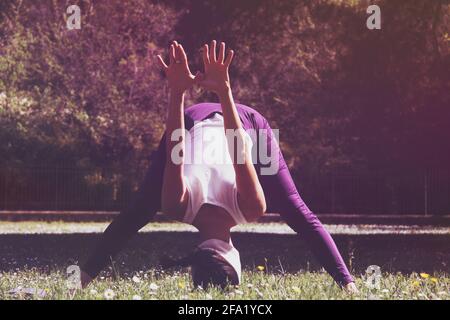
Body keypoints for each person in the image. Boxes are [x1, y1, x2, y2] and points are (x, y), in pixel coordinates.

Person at [79, 40, 358, 293]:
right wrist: (184, 93)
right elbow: (182, 152)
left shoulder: (251, 208)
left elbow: (235, 151)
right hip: (235, 122)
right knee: (138, 211)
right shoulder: (175, 205)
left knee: (295, 208)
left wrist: (209, 93)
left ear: (235, 261)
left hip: (221, 123)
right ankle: (348, 285)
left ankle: (349, 286)